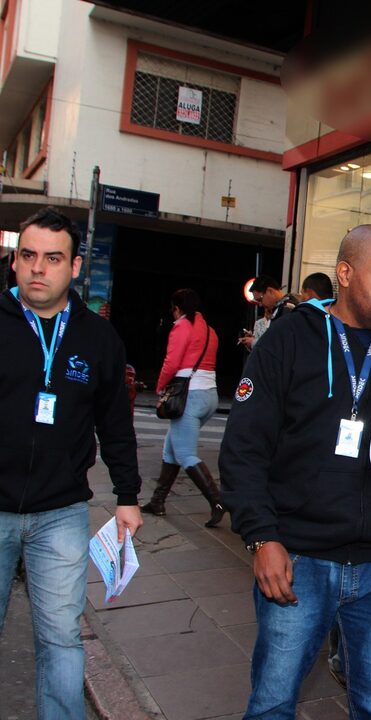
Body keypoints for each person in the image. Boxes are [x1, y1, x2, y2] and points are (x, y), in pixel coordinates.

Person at [220, 225, 371, 720]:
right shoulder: (289, 339)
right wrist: (262, 539)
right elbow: (244, 448)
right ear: (345, 274)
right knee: (273, 704)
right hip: (299, 559)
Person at [0, 206, 143, 719]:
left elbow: (116, 425)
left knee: (61, 638)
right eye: (29, 256)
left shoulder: (98, 339)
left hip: (60, 513)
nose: (39, 268)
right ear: (15, 261)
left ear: (75, 267)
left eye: (53, 258)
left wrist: (127, 497)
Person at [141, 289, 224, 527]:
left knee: (186, 453)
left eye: (173, 310)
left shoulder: (182, 327)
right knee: (172, 448)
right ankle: (157, 501)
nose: (172, 314)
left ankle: (217, 501)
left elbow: (171, 363)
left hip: (190, 397)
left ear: (178, 308)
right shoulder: (210, 331)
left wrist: (159, 388)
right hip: (209, 396)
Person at [240, 276, 298, 350]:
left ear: (270, 291)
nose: (260, 305)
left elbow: (280, 346)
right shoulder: (283, 309)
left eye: (260, 300)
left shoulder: (288, 309)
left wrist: (254, 343)